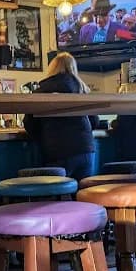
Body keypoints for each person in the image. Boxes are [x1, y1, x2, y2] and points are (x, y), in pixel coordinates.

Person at [23, 52, 98, 180]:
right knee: (84, 190)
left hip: (58, 151)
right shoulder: (81, 90)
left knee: (58, 190)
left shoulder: (41, 91)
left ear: (52, 69)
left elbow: (30, 125)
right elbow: (94, 121)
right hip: (86, 150)